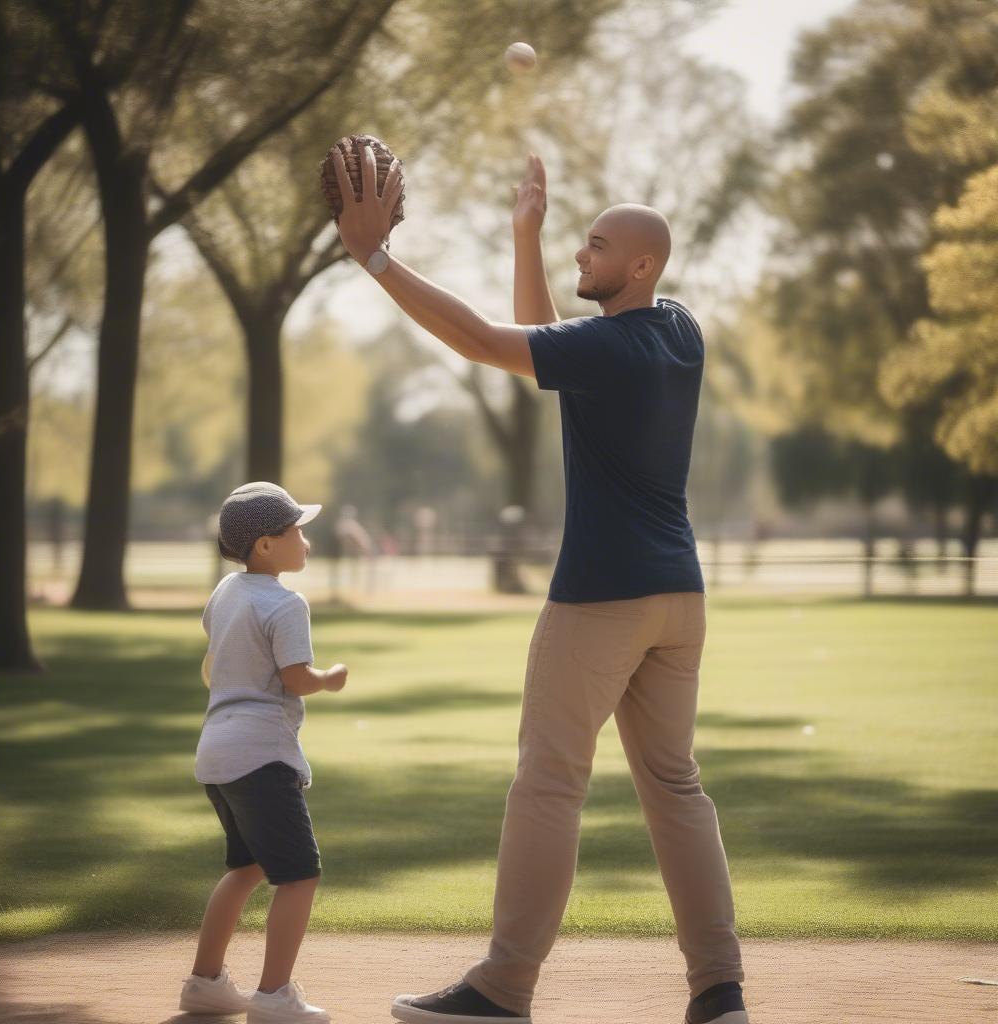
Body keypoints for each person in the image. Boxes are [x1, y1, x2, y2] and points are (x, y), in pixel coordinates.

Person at [332, 148, 748, 1024]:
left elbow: (492, 343)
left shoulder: (613, 347)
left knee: (549, 782)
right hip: (679, 597)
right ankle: (720, 990)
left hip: (601, 594)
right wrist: (527, 238)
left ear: (639, 265)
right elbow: (546, 348)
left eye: (595, 247)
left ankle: (502, 986)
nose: (580, 255)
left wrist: (375, 258)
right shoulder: (678, 331)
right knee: (675, 786)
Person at [180, 481, 349, 1024]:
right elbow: (295, 679)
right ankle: (274, 996)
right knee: (300, 875)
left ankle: (205, 984)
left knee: (245, 867)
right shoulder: (285, 602)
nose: (305, 540)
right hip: (261, 754)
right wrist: (328, 679)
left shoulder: (224, 594)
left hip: (216, 753)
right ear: (265, 546)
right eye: (296, 530)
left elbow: (220, 655)